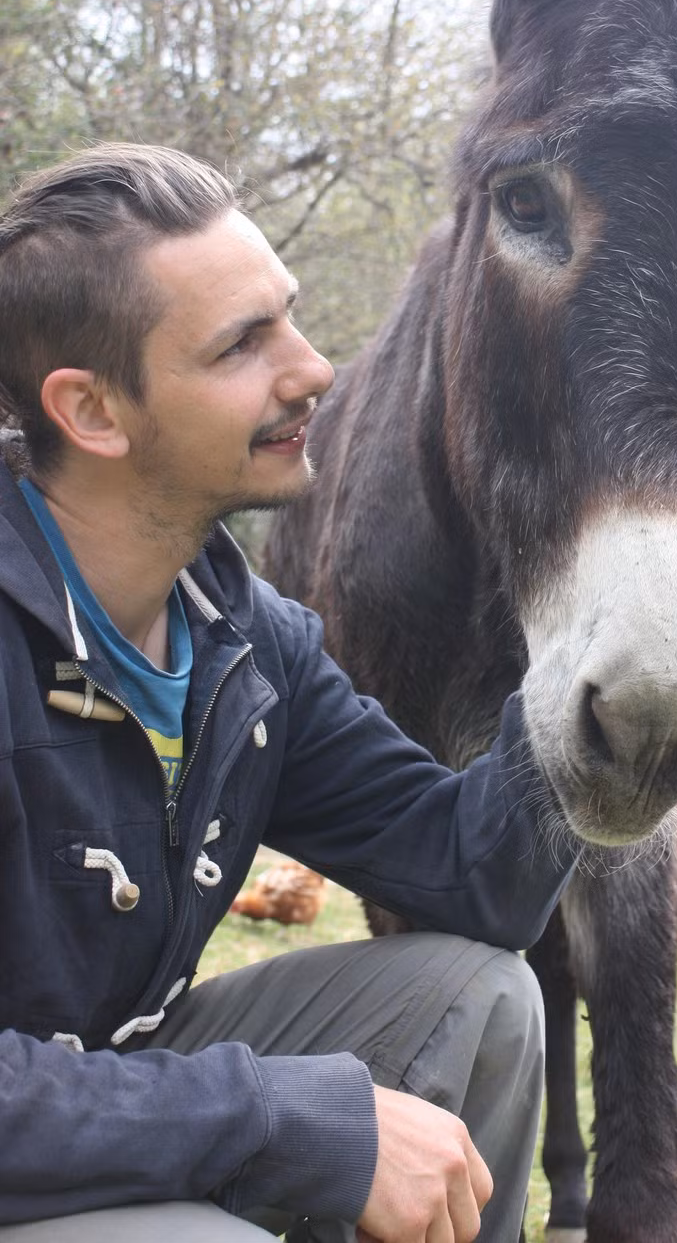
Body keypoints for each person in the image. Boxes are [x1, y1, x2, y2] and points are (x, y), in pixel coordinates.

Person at [0, 143, 581, 1242]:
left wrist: (585, 676)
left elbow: (471, 875)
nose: (314, 369)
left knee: (482, 997)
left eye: (290, 317)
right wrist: (281, 1117)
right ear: (93, 411)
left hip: (114, 1075)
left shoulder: (239, 640)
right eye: (241, 345)